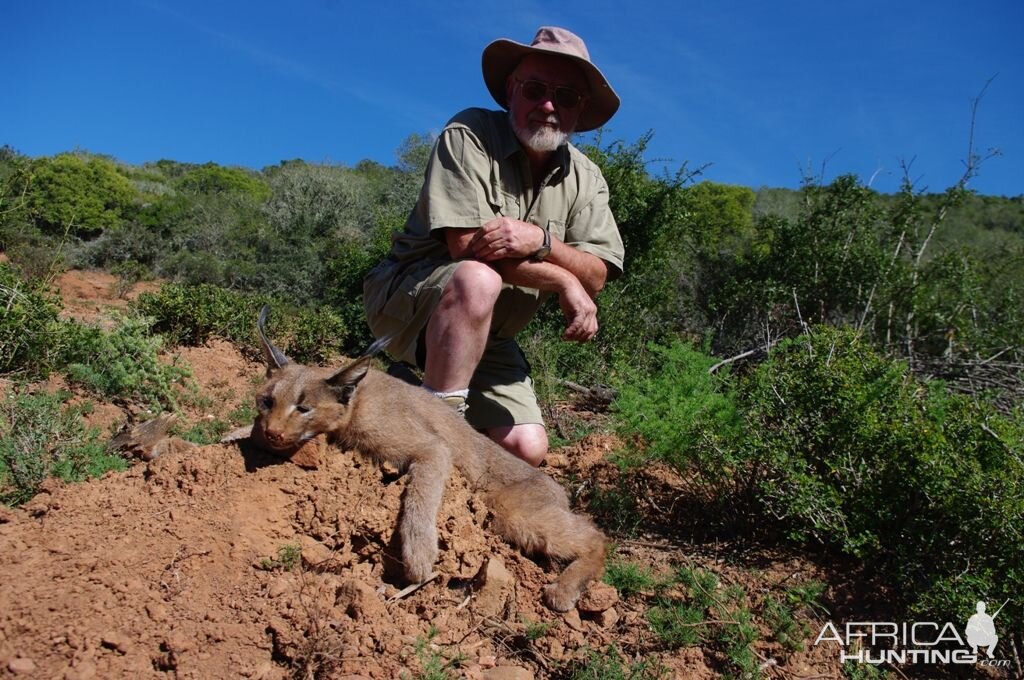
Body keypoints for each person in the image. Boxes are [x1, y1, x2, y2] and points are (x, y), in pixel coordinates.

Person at [363, 26, 624, 467]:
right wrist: (562, 277)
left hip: (493, 335)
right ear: (511, 90)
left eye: (565, 96)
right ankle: (433, 441)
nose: (548, 105)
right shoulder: (469, 133)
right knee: (478, 278)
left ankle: (403, 389)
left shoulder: (587, 177)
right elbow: (466, 247)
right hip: (410, 299)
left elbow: (596, 274)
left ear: (580, 109)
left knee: (528, 449)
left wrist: (541, 240)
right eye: (536, 89)